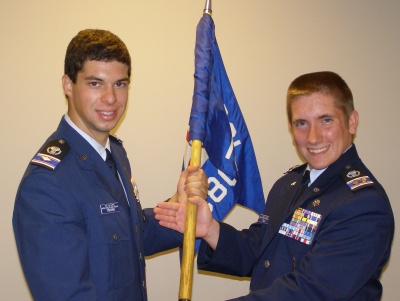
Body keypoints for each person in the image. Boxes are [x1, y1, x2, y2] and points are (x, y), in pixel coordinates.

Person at [155, 71, 395, 300]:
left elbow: (310, 292)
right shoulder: (288, 184)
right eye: (301, 123)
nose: (313, 137)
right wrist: (210, 230)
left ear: (351, 122)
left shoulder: (362, 204)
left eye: (326, 120)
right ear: (290, 129)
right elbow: (259, 252)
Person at [12, 29, 208, 301]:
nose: (111, 98)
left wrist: (178, 204)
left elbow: (127, 235)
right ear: (68, 85)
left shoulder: (114, 152)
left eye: (120, 84)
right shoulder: (47, 183)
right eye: (95, 83)